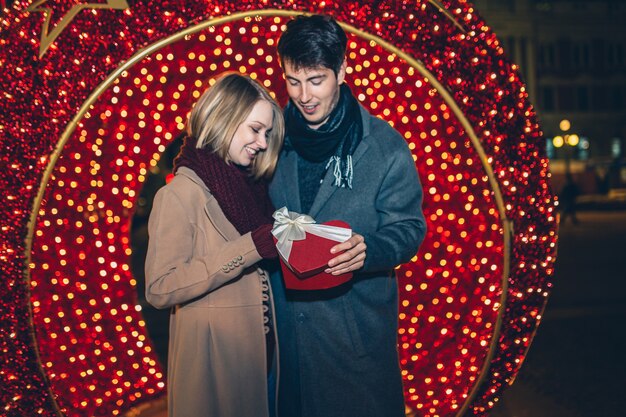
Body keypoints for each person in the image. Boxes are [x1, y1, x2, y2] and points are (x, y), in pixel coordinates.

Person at [268, 14, 427, 417]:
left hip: (352, 339)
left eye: (316, 79)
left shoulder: (385, 146)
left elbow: (409, 227)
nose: (304, 95)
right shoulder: (270, 138)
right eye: (293, 80)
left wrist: (369, 250)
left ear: (342, 70)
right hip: (284, 341)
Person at [144, 72, 284, 417]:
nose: (263, 143)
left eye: (267, 133)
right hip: (216, 367)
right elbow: (160, 287)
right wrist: (249, 246)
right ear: (224, 118)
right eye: (255, 129)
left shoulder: (254, 190)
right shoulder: (179, 194)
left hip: (265, 364)